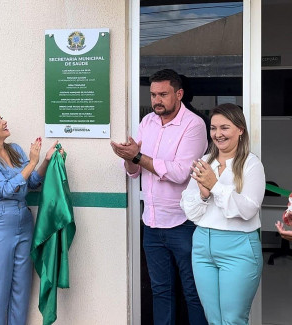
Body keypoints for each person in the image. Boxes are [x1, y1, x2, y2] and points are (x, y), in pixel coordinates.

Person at [111, 69, 208, 325]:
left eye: (163, 94)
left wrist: (137, 156)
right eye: (153, 94)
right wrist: (128, 158)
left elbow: (179, 173)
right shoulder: (147, 122)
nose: (157, 100)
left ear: (179, 94)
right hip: (152, 223)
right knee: (160, 292)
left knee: (193, 292)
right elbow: (135, 172)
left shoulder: (194, 125)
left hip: (184, 223)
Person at [0, 109, 60, 325]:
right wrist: (31, 163)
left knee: (21, 292)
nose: (5, 121)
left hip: (24, 223)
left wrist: (44, 161)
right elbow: (6, 190)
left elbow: (31, 183)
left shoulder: (15, 150)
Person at [181, 103, 265, 324]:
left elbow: (248, 209)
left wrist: (215, 186)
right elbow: (190, 210)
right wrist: (203, 195)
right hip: (202, 246)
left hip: (238, 247)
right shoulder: (205, 162)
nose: (217, 134)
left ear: (240, 130)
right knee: (214, 319)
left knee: (232, 320)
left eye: (224, 128)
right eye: (213, 128)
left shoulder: (251, 164)